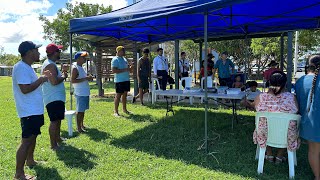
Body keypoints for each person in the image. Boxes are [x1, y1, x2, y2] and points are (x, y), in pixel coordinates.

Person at [13, 41, 51, 180]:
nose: (39, 52)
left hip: (34, 110)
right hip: (28, 111)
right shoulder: (21, 67)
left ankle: (30, 160)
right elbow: (25, 89)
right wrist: (41, 80)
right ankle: (19, 174)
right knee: (26, 141)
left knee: (33, 137)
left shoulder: (27, 67)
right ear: (29, 52)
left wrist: (41, 78)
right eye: (36, 50)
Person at [249, 71, 299, 164]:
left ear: (269, 82)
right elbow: (296, 111)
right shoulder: (291, 97)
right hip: (287, 136)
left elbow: (255, 107)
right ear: (285, 84)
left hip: (265, 135)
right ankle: (280, 155)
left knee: (264, 125)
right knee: (288, 127)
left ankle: (269, 153)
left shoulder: (261, 97)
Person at [295, 54, 320, 180]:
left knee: (314, 151)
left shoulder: (300, 82)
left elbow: (297, 105)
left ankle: (317, 176)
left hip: (310, 124)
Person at [41, 43, 67, 150]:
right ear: (53, 53)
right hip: (53, 98)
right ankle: (53, 145)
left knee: (58, 119)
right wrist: (64, 76)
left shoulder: (51, 63)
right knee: (54, 121)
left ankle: (58, 139)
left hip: (56, 97)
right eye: (58, 51)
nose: (60, 53)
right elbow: (54, 81)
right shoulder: (50, 65)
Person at [71, 51, 93, 132]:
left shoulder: (81, 67)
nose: (85, 59)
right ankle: (78, 128)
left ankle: (81, 125)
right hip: (80, 93)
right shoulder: (75, 68)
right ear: (78, 59)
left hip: (84, 92)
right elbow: (73, 80)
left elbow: (82, 78)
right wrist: (85, 78)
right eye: (83, 57)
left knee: (82, 110)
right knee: (79, 111)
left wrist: (87, 78)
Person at [112, 46, 132, 117]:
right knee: (118, 95)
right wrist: (125, 70)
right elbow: (114, 70)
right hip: (119, 80)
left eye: (124, 51)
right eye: (122, 51)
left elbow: (128, 69)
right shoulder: (115, 59)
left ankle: (124, 109)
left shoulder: (124, 59)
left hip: (126, 79)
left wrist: (130, 68)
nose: (123, 52)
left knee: (125, 95)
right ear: (118, 51)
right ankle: (116, 111)